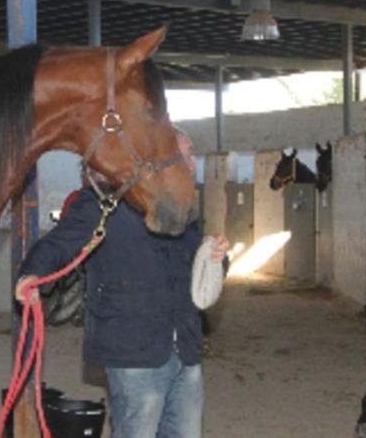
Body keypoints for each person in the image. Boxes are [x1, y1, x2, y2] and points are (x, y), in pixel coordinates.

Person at [15, 167, 229, 438]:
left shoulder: (179, 206)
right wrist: (33, 273)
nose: (190, 164)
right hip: (133, 352)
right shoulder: (104, 203)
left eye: (189, 156)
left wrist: (217, 257)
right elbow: (57, 244)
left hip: (185, 347)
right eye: (183, 155)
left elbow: (198, 262)